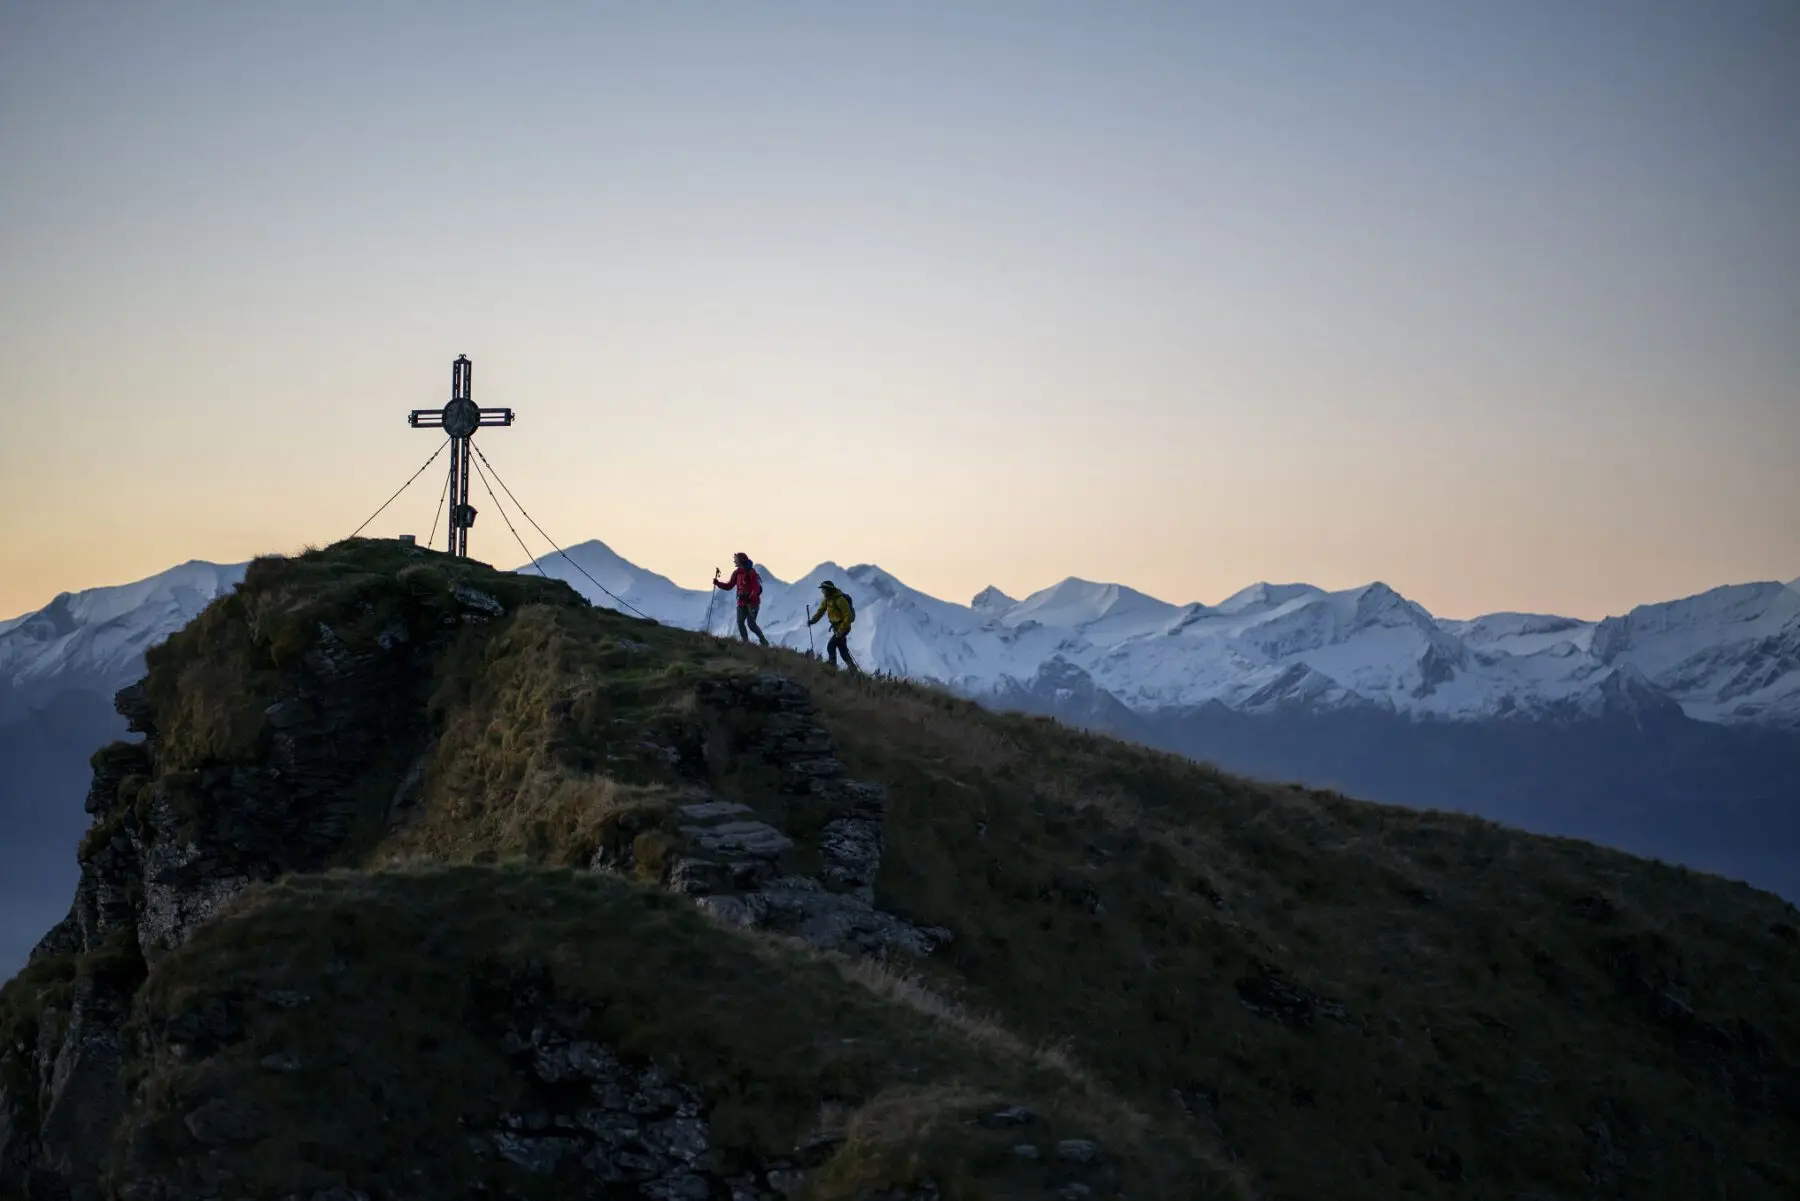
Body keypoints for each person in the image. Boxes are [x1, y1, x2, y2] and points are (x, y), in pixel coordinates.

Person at [714, 552, 770, 646]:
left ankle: (763, 641)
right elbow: (729, 585)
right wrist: (718, 583)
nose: (734, 561)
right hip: (742, 602)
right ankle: (746, 642)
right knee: (740, 622)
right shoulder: (737, 573)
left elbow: (755, 589)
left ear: (740, 561)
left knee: (751, 624)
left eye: (735, 559)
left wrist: (750, 597)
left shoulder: (751, 573)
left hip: (752, 603)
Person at [808, 580, 860, 672]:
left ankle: (832, 668)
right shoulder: (827, 600)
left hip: (843, 627)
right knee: (843, 649)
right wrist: (813, 620)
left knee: (831, 646)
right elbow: (820, 611)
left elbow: (848, 616)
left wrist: (841, 630)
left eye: (823, 589)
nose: (822, 591)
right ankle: (853, 670)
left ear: (828, 590)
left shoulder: (840, 600)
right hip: (837, 627)